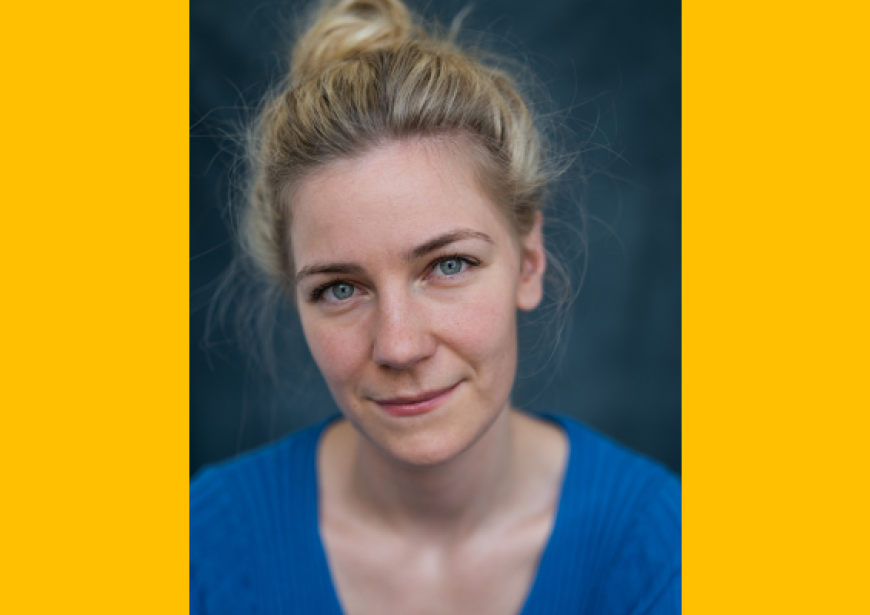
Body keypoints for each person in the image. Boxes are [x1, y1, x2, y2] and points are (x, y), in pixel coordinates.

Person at [190, 0, 681, 613]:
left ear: (529, 262)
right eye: (339, 289)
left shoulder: (659, 548)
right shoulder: (202, 546)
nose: (398, 345)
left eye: (448, 266)